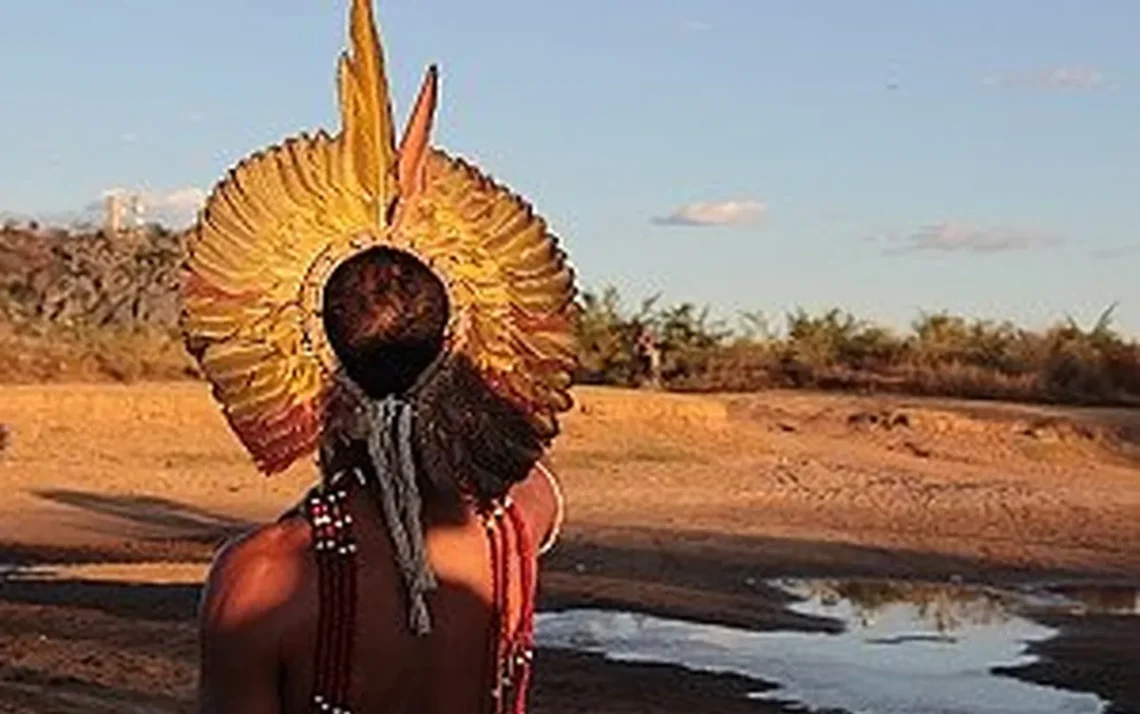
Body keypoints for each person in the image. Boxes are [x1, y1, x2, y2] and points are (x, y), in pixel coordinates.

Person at [181, 2, 578, 712]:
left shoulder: (262, 581)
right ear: (469, 350)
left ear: (296, 367)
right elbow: (527, 458)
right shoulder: (518, 521)